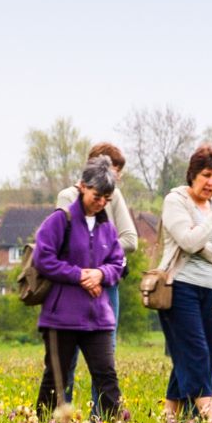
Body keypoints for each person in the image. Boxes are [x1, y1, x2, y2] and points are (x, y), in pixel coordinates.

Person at [32, 158, 127, 417]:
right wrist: (78, 275)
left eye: (107, 199)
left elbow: (118, 263)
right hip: (61, 316)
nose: (101, 203)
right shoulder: (60, 220)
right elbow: (43, 258)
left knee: (107, 377)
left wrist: (100, 273)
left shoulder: (107, 227)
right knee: (56, 379)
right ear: (83, 187)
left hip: (98, 317)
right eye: (97, 196)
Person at [156, 145, 212, 423]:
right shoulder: (176, 201)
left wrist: (207, 252)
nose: (211, 183)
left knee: (192, 359)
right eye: (206, 175)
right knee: (196, 357)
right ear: (193, 174)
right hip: (179, 289)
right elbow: (188, 241)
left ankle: (169, 422)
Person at [55, 141, 139, 343]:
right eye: (113, 170)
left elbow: (130, 240)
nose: (116, 178)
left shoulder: (115, 196)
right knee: (68, 353)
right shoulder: (67, 197)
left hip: (106, 282)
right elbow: (65, 243)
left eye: (118, 173)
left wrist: (98, 267)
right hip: (73, 284)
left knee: (106, 351)